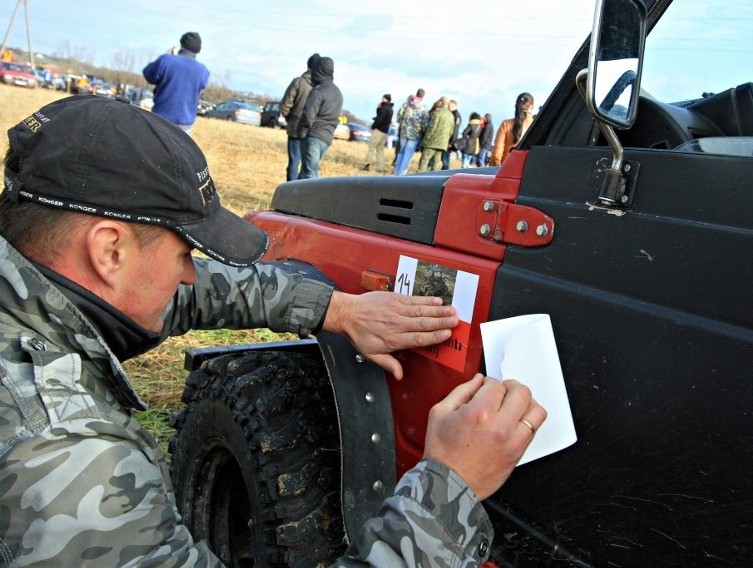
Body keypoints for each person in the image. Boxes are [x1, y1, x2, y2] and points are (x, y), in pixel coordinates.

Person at [0, 95, 546, 566]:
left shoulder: (31, 283)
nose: (192, 272)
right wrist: (448, 492)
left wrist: (337, 310)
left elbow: (190, 292)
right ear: (109, 249)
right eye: (185, 252)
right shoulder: (61, 460)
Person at [142, 32, 210, 136]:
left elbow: (148, 75)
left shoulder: (166, 60)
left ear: (181, 44)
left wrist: (166, 56)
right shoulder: (203, 71)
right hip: (185, 127)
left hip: (159, 121)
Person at [297, 56, 343, 179]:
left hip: (313, 136)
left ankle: (312, 198)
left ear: (318, 70)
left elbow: (308, 117)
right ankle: (295, 196)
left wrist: (301, 133)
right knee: (306, 171)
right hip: (327, 138)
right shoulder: (337, 93)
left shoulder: (317, 91)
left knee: (310, 173)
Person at [280, 53, 320, 181]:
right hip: (312, 130)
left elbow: (286, 103)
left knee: (293, 162)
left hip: (295, 126)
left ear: (308, 66)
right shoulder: (320, 86)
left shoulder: (298, 82)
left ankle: (291, 191)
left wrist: (289, 118)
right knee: (309, 166)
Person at [491, 92, 535, 166]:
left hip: (507, 167)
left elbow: (497, 153)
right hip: (529, 168)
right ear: (532, 106)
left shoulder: (506, 124)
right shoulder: (536, 126)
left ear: (515, 106)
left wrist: (495, 165)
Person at [393, 88, 429, 176]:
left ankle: (396, 172)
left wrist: (403, 123)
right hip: (415, 134)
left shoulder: (406, 104)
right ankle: (402, 173)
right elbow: (425, 123)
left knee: (401, 151)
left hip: (404, 132)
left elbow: (398, 116)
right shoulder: (423, 107)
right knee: (408, 153)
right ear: (423, 96)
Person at [418, 97, 454, 172]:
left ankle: (420, 177)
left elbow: (432, 127)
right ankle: (433, 178)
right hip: (442, 143)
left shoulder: (437, 112)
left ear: (441, 102)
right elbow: (451, 131)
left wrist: (426, 138)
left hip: (432, 141)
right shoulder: (451, 115)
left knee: (424, 160)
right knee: (436, 162)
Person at [363, 93, 394, 173]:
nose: (381, 99)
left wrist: (373, 126)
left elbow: (379, 119)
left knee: (371, 148)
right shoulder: (391, 109)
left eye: (383, 98)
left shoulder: (383, 108)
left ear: (385, 99)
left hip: (379, 131)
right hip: (385, 132)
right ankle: (380, 167)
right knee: (380, 150)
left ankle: (366, 164)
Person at [442, 99, 462, 170]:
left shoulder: (456, 115)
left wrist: (451, 142)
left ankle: (444, 172)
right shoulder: (453, 114)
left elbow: (455, 130)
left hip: (449, 141)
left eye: (449, 105)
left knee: (445, 159)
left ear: (454, 105)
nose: (448, 107)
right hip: (448, 140)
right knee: (444, 158)